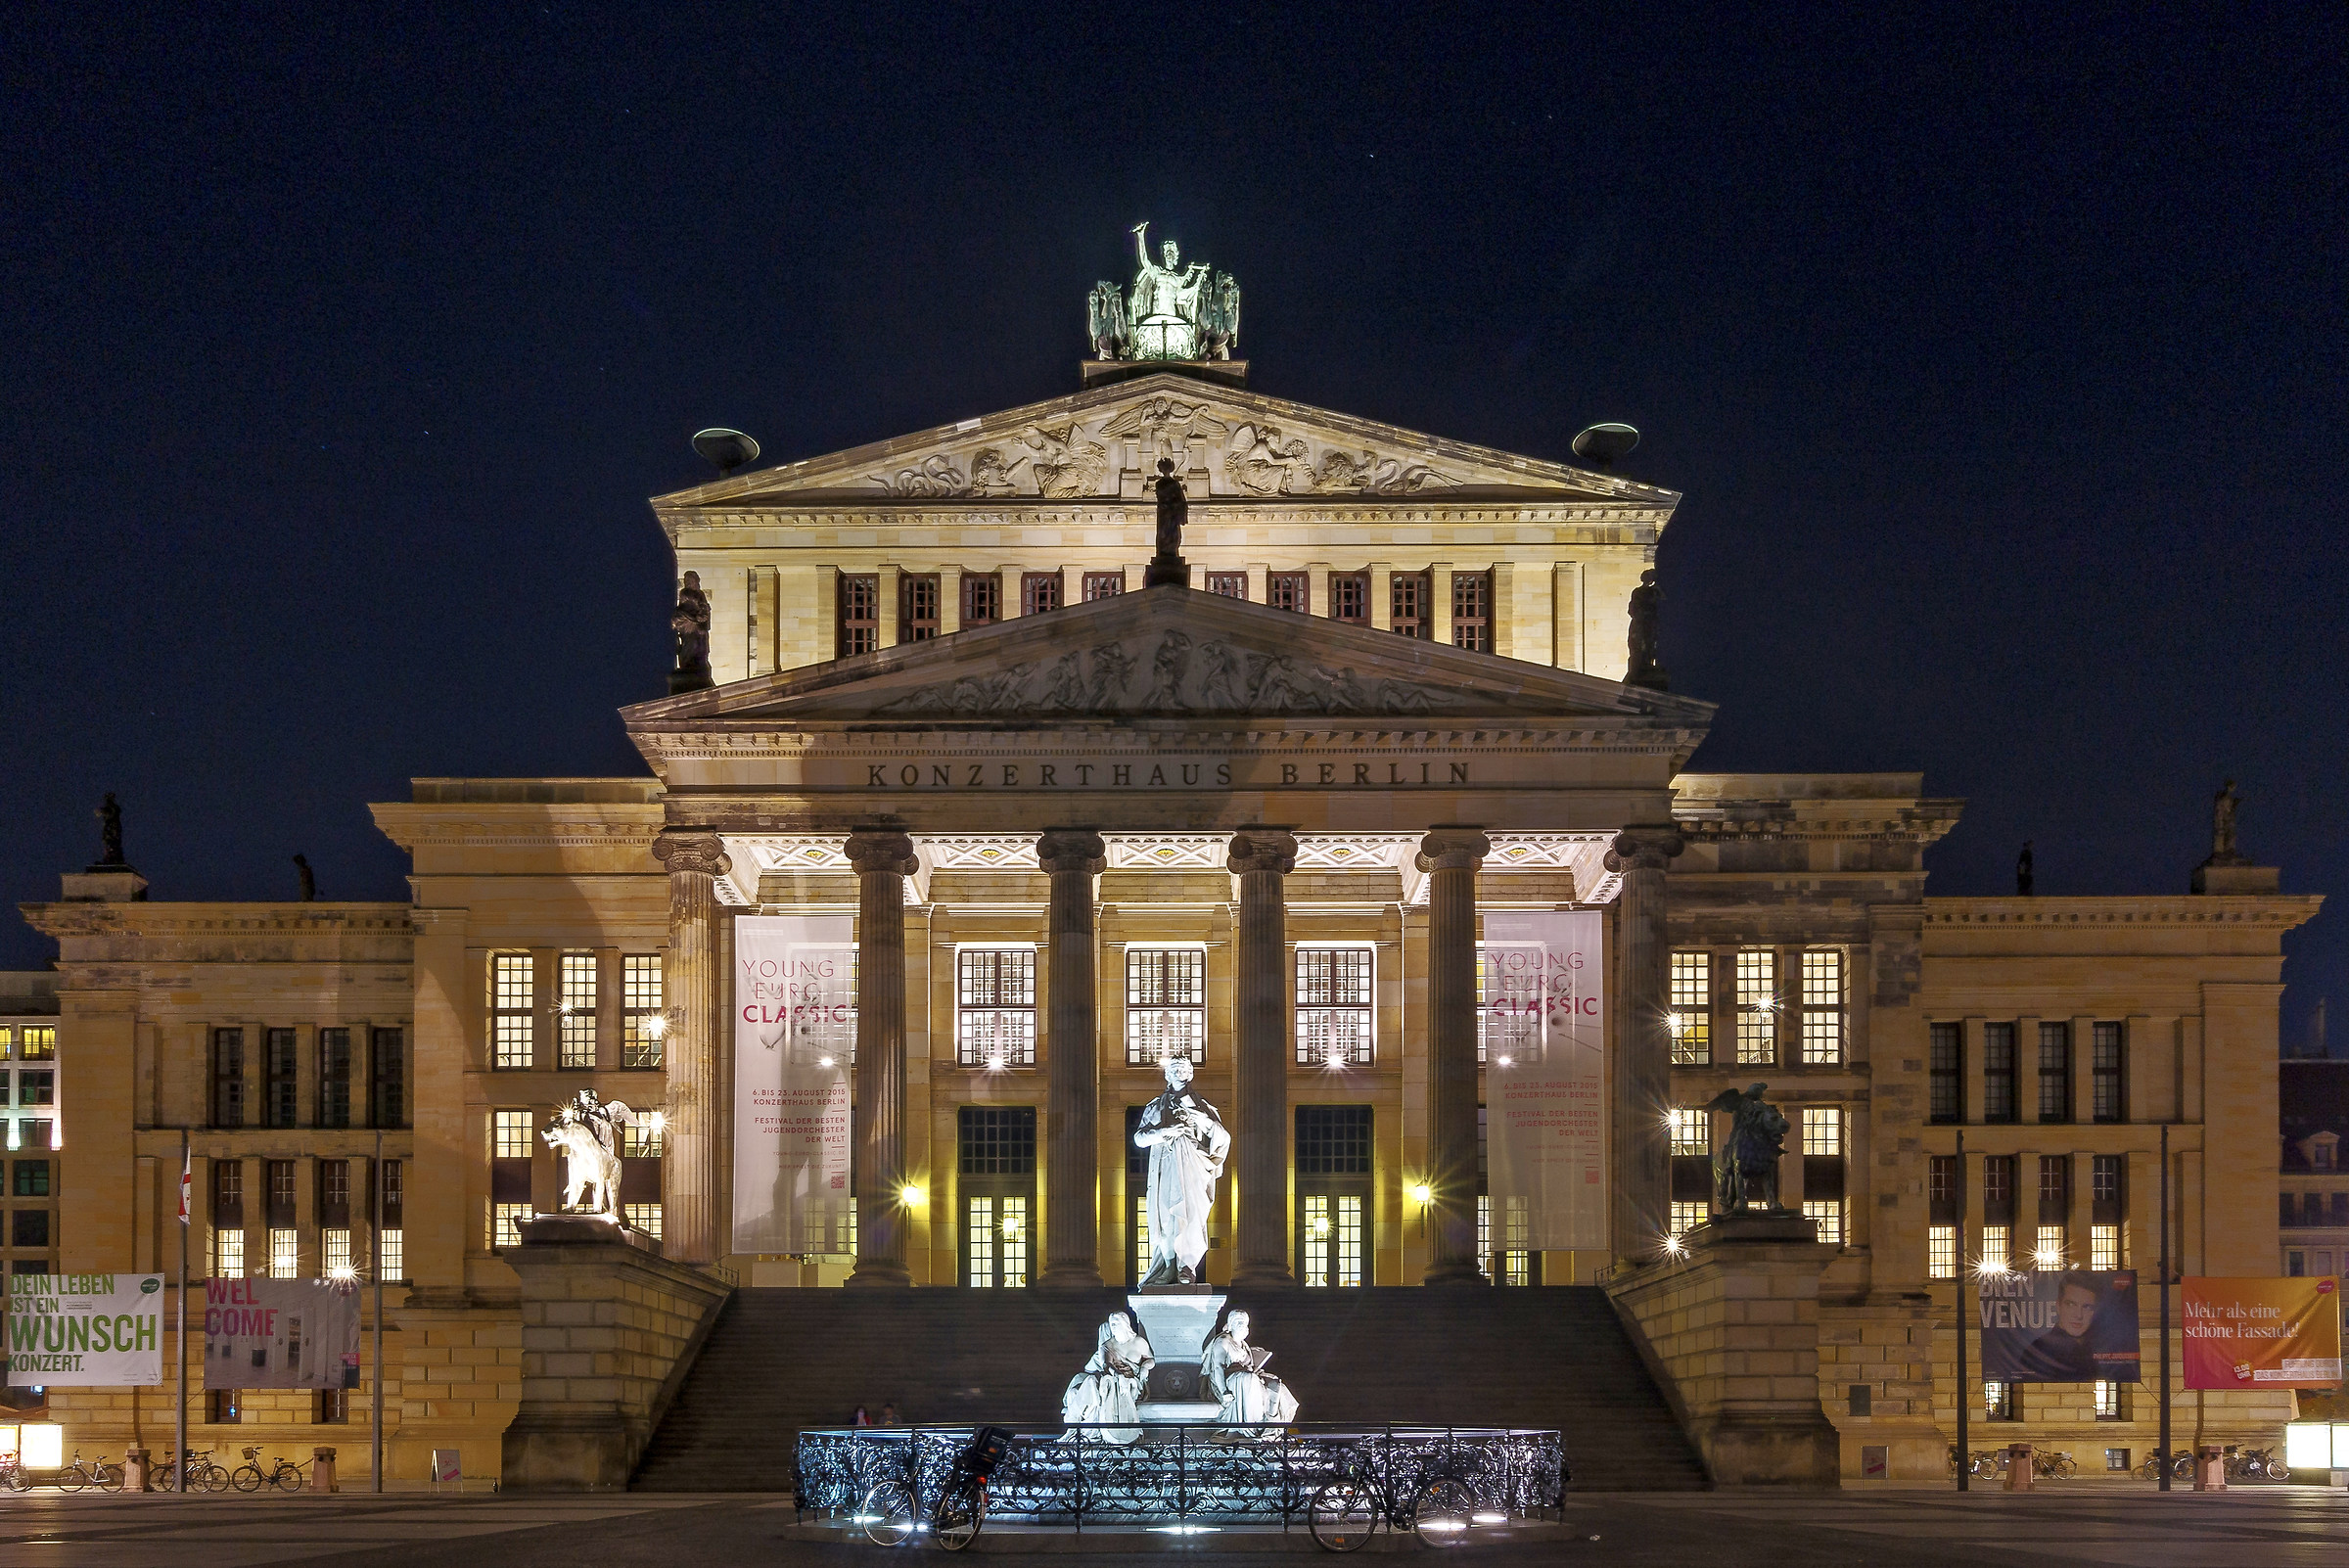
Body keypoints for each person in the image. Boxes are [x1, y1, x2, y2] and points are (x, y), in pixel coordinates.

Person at [1133, 1054, 1229, 1284]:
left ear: (1191, 1074)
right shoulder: (1155, 1107)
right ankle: (1168, 1266)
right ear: (1167, 1075)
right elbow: (1139, 1138)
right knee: (1166, 1217)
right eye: (1174, 1069)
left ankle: (1187, 1266)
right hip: (1165, 1168)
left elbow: (1223, 1137)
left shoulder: (1203, 1107)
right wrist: (1163, 1132)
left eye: (1184, 1069)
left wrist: (1200, 1118)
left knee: (1191, 1216)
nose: (1179, 1073)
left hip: (1193, 1168)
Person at [1061, 1312, 1154, 1444]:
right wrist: (1118, 1375)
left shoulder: (1139, 1342)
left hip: (1133, 1382)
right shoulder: (1107, 1345)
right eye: (1112, 1324)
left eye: (1116, 1323)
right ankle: (1073, 1427)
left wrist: (1145, 1367)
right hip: (1112, 1378)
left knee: (1095, 1383)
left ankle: (1074, 1426)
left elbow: (1150, 1359)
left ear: (1124, 1323)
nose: (1113, 1327)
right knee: (1091, 1382)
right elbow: (1106, 1365)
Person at [1202, 1310, 1297, 1432]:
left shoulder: (1242, 1344)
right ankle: (1253, 1428)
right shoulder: (1223, 1341)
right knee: (1249, 1379)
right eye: (1238, 1322)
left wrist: (1252, 1352)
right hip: (1228, 1381)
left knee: (1276, 1384)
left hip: (1244, 1375)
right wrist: (1224, 1391)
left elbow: (1242, 1358)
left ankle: (1272, 1425)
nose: (1242, 1325)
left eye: (1244, 1322)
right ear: (1231, 1324)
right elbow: (1217, 1367)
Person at [2009, 1278, 2102, 1381]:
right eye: (2071, 1304)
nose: (2079, 1315)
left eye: (2087, 1307)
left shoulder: (2094, 1349)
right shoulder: (2038, 1351)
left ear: (2096, 1311)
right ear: (2058, 1306)